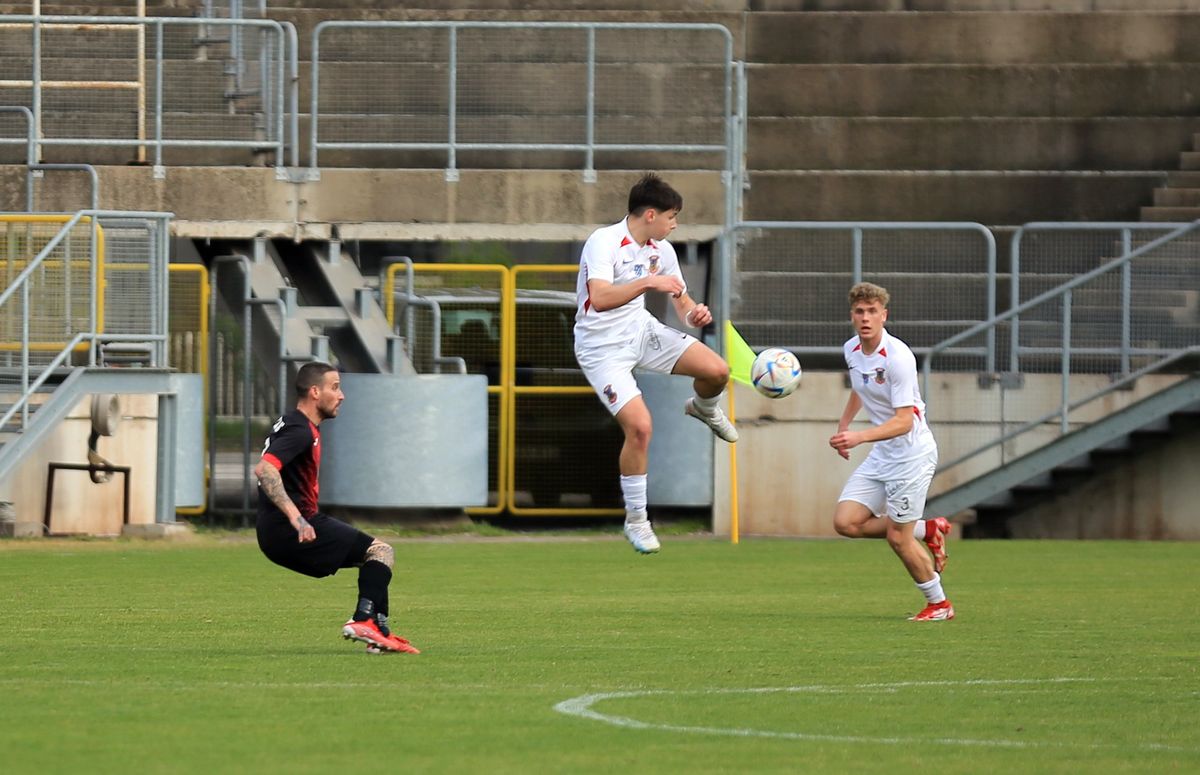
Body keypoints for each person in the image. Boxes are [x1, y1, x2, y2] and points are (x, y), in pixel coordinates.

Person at [574, 173, 737, 554]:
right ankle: (636, 520)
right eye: (672, 216)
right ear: (651, 214)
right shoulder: (604, 241)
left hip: (642, 331)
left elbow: (682, 302)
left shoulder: (661, 251)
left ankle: (703, 407)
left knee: (718, 371)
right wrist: (648, 284)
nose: (675, 224)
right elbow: (600, 298)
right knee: (641, 428)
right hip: (602, 348)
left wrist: (694, 314)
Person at [254, 361, 419, 653]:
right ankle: (364, 620)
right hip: (291, 528)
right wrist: (297, 519)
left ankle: (379, 632)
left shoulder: (296, 423)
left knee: (375, 557)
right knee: (381, 552)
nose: (341, 395)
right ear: (315, 392)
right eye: (335, 387)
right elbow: (265, 469)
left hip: (275, 530)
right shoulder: (300, 430)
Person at [828, 283, 954, 622]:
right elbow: (861, 387)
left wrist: (859, 437)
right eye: (860, 311)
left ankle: (940, 604)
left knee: (898, 538)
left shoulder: (898, 358)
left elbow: (903, 421)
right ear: (852, 316)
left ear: (884, 315)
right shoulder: (852, 349)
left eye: (872, 312)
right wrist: (844, 424)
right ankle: (927, 529)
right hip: (884, 452)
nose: (865, 318)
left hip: (911, 456)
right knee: (845, 522)